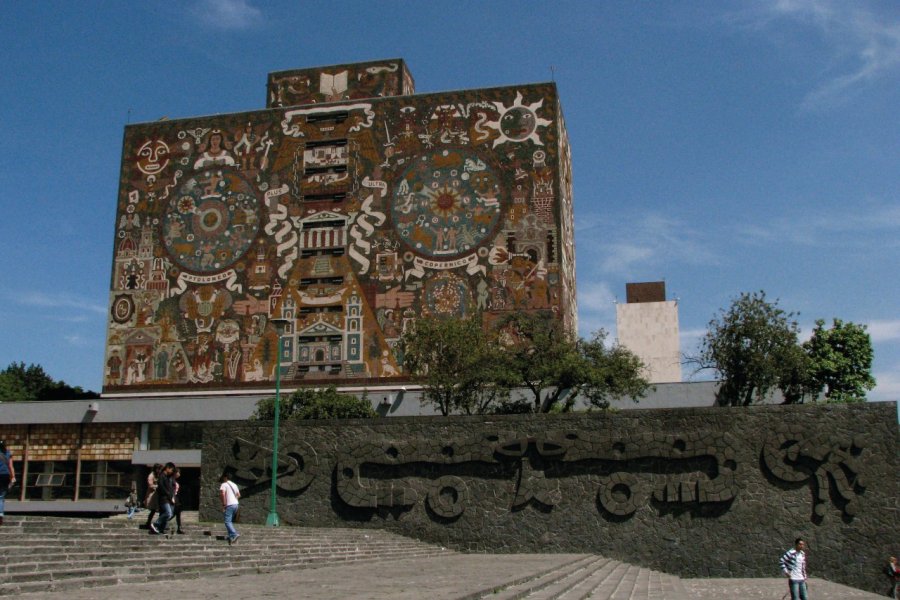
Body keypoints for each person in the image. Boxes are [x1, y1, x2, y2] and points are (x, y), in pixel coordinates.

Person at [149, 463, 176, 536]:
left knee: (168, 514)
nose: (171, 471)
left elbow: (170, 488)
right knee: (168, 513)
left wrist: (172, 496)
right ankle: (155, 524)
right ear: (167, 468)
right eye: (171, 470)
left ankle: (160, 528)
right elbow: (161, 487)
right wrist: (168, 494)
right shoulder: (162, 476)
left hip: (168, 498)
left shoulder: (167, 477)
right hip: (164, 498)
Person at [219, 473, 240, 545]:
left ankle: (234, 534)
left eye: (223, 477)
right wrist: (234, 500)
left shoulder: (224, 484)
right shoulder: (234, 484)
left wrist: (224, 504)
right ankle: (230, 537)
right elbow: (238, 495)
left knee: (227, 521)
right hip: (236, 504)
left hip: (229, 504)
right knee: (230, 521)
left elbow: (222, 493)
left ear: (225, 477)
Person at [0, 441, 16, 527]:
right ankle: (0, 514)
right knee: (1, 497)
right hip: (5, 476)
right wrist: (13, 477)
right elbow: (10, 466)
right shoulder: (8, 453)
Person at [143, 463, 161, 529]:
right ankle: (148, 522)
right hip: (152, 494)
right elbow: (150, 485)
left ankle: (158, 523)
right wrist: (157, 486)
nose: (159, 470)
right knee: (153, 510)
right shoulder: (151, 475)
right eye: (158, 469)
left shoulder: (159, 475)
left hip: (158, 495)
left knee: (160, 510)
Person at [173, 468, 185, 534]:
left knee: (178, 512)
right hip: (172, 497)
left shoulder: (175, 481)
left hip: (176, 497)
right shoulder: (171, 480)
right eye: (178, 472)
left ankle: (179, 527)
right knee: (173, 513)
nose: (179, 474)